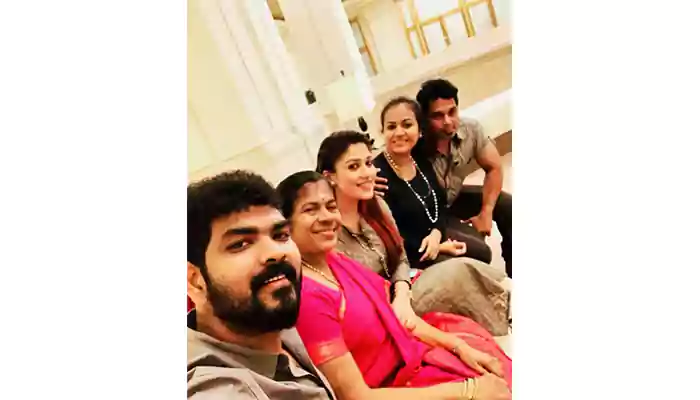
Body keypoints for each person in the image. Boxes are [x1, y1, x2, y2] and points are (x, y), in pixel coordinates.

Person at [276, 171, 512, 400]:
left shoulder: (335, 259)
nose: (327, 217)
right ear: (284, 226)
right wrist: (469, 391)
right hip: (395, 389)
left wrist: (459, 347)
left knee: (494, 367)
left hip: (414, 357)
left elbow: (398, 317)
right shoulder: (309, 299)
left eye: (330, 206)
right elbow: (356, 396)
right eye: (310, 210)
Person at [314, 131, 509, 336]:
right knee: (459, 274)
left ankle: (504, 321)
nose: (367, 173)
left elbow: (400, 256)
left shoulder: (376, 205)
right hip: (378, 317)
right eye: (354, 166)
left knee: (472, 272)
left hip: (403, 292)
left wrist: (401, 293)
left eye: (369, 163)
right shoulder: (327, 232)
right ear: (330, 177)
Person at [187, 170, 335, 399]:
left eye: (280, 235)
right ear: (194, 280)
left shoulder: (263, 317)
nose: (275, 252)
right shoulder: (216, 390)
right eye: (240, 244)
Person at [374, 96, 493, 267]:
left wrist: (437, 233)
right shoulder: (377, 176)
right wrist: (440, 247)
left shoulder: (419, 159)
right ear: (383, 132)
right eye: (391, 127)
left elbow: (440, 203)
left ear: (419, 129)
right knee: (469, 263)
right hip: (411, 255)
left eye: (407, 125)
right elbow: (389, 237)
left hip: (434, 236)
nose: (399, 133)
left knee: (482, 252)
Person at [415, 78, 513, 278]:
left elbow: (493, 167)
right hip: (431, 213)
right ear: (424, 119)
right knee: (478, 250)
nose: (448, 121)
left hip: (455, 196)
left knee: (508, 206)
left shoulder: (470, 129)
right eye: (437, 116)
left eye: (452, 112)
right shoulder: (414, 145)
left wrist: (486, 212)